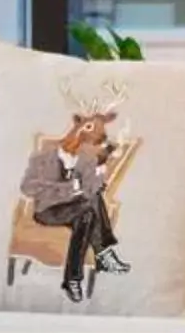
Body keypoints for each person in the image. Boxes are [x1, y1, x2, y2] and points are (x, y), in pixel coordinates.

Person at [18, 106, 127, 302]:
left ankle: (72, 280)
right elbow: (27, 187)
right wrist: (70, 187)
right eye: (89, 146)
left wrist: (100, 168)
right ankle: (103, 253)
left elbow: (92, 191)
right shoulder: (44, 158)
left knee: (87, 211)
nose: (89, 151)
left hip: (76, 210)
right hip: (49, 211)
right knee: (88, 205)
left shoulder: (86, 161)